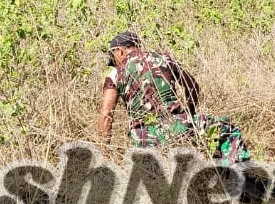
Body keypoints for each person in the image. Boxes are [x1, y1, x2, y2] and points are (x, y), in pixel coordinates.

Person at [97, 31, 252, 167]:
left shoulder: (115, 74)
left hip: (143, 139)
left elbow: (106, 115)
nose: (115, 63)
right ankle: (236, 176)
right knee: (227, 130)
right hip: (178, 126)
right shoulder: (164, 59)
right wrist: (189, 116)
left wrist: (104, 153)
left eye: (113, 59)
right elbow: (192, 87)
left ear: (120, 51)